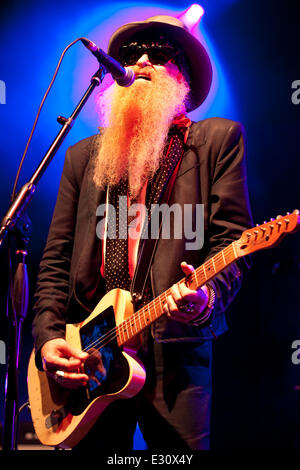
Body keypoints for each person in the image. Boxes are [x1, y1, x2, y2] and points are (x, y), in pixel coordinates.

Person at [32, 15, 253, 451]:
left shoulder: (217, 141)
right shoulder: (83, 157)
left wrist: (205, 301)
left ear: (183, 78)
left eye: (160, 52)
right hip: (90, 356)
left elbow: (235, 245)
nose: (144, 61)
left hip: (175, 358)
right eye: (133, 54)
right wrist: (48, 338)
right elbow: (56, 258)